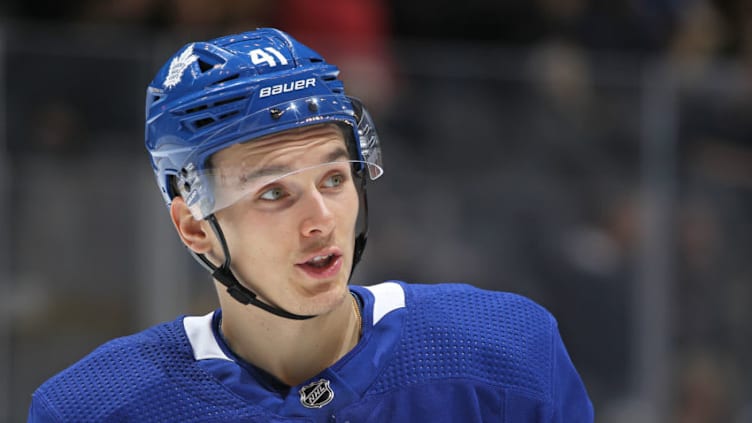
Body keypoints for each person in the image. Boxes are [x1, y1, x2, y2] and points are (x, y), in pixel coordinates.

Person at [27, 28, 594, 422]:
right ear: (195, 227)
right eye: (274, 193)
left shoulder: (505, 353)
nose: (321, 221)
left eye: (333, 179)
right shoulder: (99, 410)